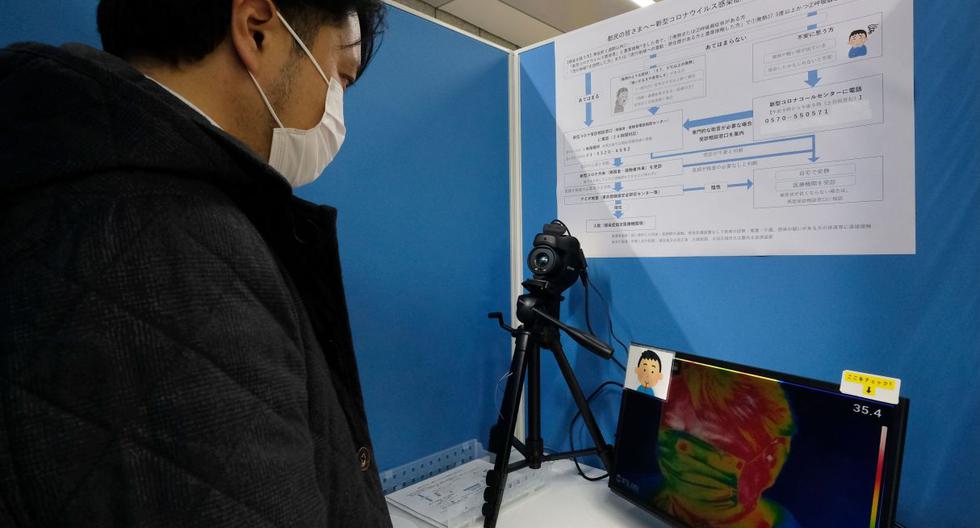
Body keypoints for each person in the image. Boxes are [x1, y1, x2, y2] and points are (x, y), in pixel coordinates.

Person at [0, 1, 391, 526]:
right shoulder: (168, 258)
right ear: (256, 30)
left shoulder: (78, 196)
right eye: (340, 77)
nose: (337, 109)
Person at [653, 363, 800, 528]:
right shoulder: (643, 490)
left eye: (712, 444)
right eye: (671, 433)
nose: (681, 454)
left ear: (772, 460)